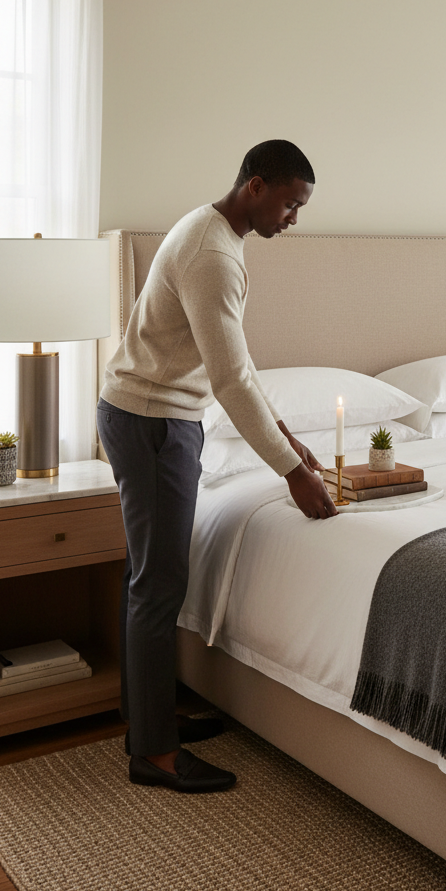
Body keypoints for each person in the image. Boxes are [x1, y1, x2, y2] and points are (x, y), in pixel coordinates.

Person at [97, 139, 337, 794]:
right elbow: (229, 382)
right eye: (290, 204)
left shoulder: (216, 234)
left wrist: (287, 436)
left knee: (146, 576)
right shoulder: (212, 255)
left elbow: (238, 362)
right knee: (159, 583)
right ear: (256, 186)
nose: (293, 218)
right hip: (154, 422)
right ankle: (155, 753)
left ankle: (145, 719)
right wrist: (292, 472)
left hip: (149, 415)